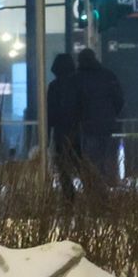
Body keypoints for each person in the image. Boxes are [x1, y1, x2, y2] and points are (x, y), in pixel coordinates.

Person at [72, 46, 124, 187]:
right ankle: (105, 187)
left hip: (87, 126)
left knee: (90, 161)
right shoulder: (108, 76)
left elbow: (74, 103)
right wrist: (112, 114)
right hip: (107, 125)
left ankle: (95, 191)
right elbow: (119, 99)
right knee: (106, 158)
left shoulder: (78, 79)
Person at [46, 52, 80, 193]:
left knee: (63, 168)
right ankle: (94, 197)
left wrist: (47, 135)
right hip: (78, 130)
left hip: (60, 132)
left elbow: (50, 111)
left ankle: (68, 197)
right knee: (82, 165)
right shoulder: (77, 83)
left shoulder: (54, 86)